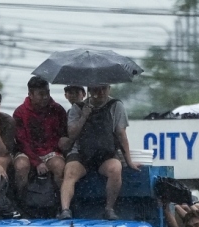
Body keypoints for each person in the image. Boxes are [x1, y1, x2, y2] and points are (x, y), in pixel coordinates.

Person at [57, 84, 141, 220]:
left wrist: (129, 161)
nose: (100, 92)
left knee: (115, 168)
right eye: (96, 89)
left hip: (105, 153)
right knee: (70, 172)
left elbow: (121, 133)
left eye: (104, 88)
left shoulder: (116, 105)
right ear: (90, 91)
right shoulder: (77, 108)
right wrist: (84, 116)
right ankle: (65, 209)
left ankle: (109, 208)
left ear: (109, 89)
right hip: (81, 153)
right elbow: (72, 134)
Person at [13, 76, 69, 195]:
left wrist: (63, 143)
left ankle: (60, 203)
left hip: (50, 151)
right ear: (30, 95)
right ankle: (19, 202)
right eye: (41, 94)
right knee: (21, 166)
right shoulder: (19, 112)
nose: (45, 97)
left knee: (60, 166)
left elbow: (63, 135)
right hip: (27, 151)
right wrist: (36, 161)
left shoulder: (58, 110)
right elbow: (21, 142)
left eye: (47, 93)